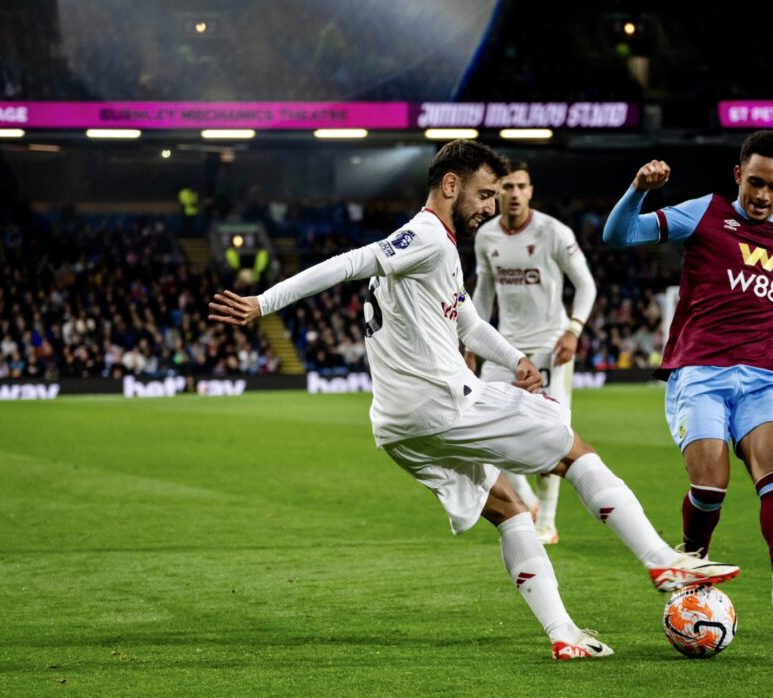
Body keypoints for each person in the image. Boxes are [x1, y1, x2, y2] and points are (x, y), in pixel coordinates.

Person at [211, 140, 737, 660]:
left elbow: (467, 322)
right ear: (450, 185)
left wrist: (516, 362)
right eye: (485, 194)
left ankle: (564, 635)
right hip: (443, 403)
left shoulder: (438, 248)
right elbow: (350, 263)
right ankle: (663, 561)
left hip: (398, 427)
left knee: (509, 507)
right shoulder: (424, 237)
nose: (491, 205)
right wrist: (264, 300)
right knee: (574, 449)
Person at [602, 130, 773, 616]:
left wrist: (767, 343)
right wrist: (639, 188)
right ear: (737, 175)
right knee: (711, 483)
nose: (763, 196)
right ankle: (691, 561)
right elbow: (617, 235)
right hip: (700, 371)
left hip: (765, 374)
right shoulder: (705, 212)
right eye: (755, 183)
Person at [466, 161, 597, 545]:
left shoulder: (553, 232)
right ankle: (525, 502)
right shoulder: (486, 236)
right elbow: (484, 292)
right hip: (505, 349)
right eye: (506, 187)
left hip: (549, 347)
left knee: (550, 433)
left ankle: (547, 523)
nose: (514, 194)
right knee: (478, 430)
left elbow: (586, 285)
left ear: (530, 190)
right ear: (496, 192)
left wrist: (573, 330)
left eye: (521, 186)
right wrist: (471, 341)